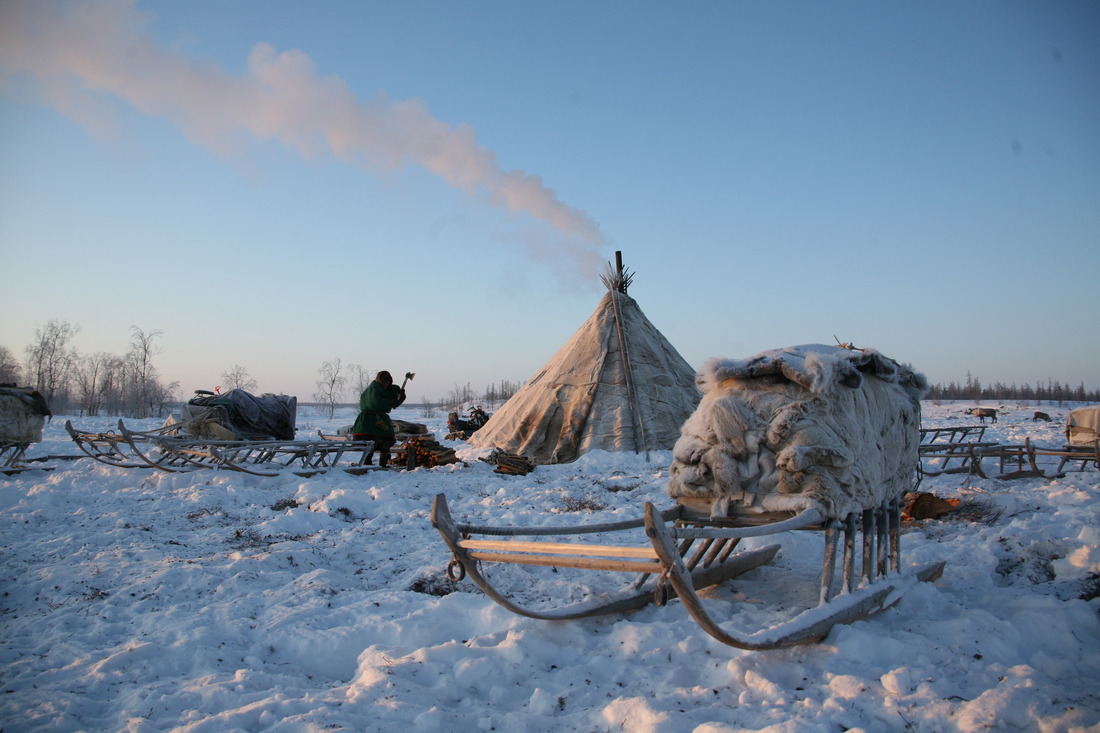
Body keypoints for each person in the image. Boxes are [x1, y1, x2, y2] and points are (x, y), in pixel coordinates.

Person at [350, 371, 406, 467]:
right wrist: (390, 403)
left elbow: (389, 393)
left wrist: (399, 395)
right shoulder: (374, 389)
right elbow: (375, 403)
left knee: (386, 440)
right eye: (386, 382)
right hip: (369, 421)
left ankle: (384, 462)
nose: (387, 384)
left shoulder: (381, 389)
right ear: (383, 381)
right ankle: (368, 462)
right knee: (372, 441)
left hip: (378, 419)